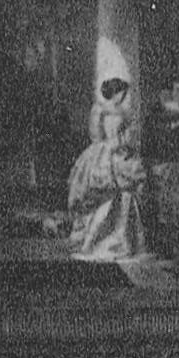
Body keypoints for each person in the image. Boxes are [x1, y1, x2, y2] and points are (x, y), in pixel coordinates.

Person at [65, 77, 149, 261]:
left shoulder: (113, 111)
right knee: (108, 200)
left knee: (120, 199)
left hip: (112, 154)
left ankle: (115, 240)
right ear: (116, 92)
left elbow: (119, 137)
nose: (123, 97)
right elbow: (98, 135)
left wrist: (120, 146)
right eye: (122, 93)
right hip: (107, 156)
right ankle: (93, 242)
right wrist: (114, 146)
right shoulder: (107, 110)